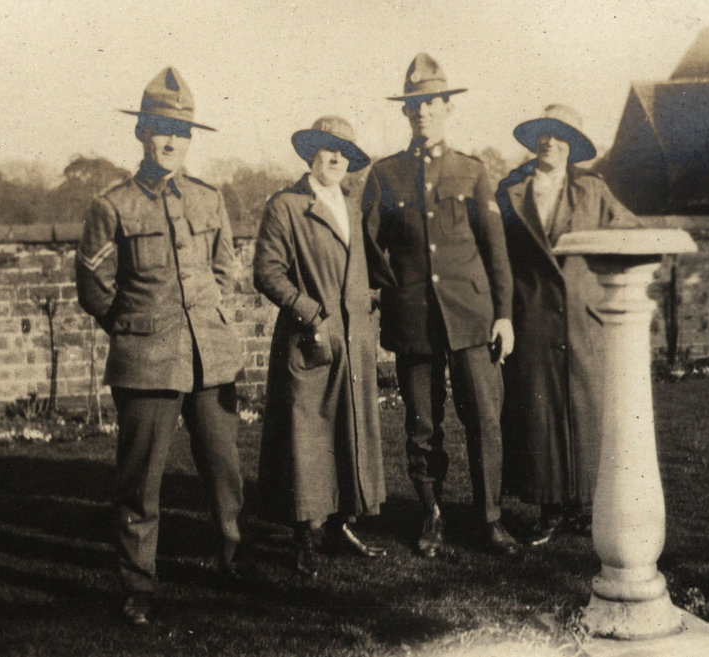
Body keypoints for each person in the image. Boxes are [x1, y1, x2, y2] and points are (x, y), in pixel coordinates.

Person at [75, 67, 246, 625]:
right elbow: (95, 290)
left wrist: (208, 315)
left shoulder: (208, 196)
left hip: (211, 357)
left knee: (223, 467)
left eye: (182, 131)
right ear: (141, 134)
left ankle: (230, 559)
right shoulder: (112, 205)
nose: (172, 141)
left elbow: (227, 268)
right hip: (146, 360)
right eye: (160, 129)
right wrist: (136, 328)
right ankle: (138, 585)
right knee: (139, 480)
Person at [362, 53, 518, 557]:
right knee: (422, 424)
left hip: (472, 319)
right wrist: (397, 289)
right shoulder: (385, 176)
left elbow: (496, 251)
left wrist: (504, 315)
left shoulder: (472, 172)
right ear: (405, 114)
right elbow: (367, 247)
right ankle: (431, 514)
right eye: (413, 106)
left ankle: (489, 518)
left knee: (484, 420)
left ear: (448, 108)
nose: (422, 113)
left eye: (430, 103)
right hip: (414, 322)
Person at [254, 116, 386, 577]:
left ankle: (340, 525)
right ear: (311, 152)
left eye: (343, 152)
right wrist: (308, 311)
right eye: (327, 149)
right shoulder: (286, 205)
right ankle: (303, 536)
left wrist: (371, 299)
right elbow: (267, 272)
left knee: (348, 433)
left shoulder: (352, 204)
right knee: (306, 438)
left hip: (353, 338)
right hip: (309, 337)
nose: (335, 159)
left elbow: (366, 263)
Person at [496, 104, 631, 545]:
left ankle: (582, 507)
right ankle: (548, 508)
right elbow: (497, 254)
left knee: (585, 408)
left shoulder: (593, 190)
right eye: (543, 134)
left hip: (582, 316)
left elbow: (628, 232)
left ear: (571, 146)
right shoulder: (512, 190)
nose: (549, 142)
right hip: (532, 314)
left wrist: (600, 283)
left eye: (559, 135)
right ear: (534, 140)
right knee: (540, 412)